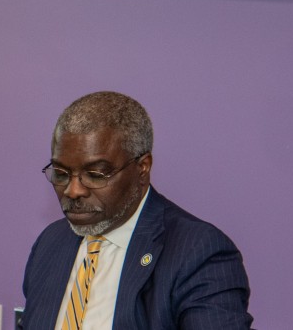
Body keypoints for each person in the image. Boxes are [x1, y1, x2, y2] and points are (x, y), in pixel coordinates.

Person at [23, 91, 252, 328]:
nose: (73, 191)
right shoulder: (51, 242)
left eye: (95, 175)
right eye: (61, 174)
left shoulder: (197, 252)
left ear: (142, 168)